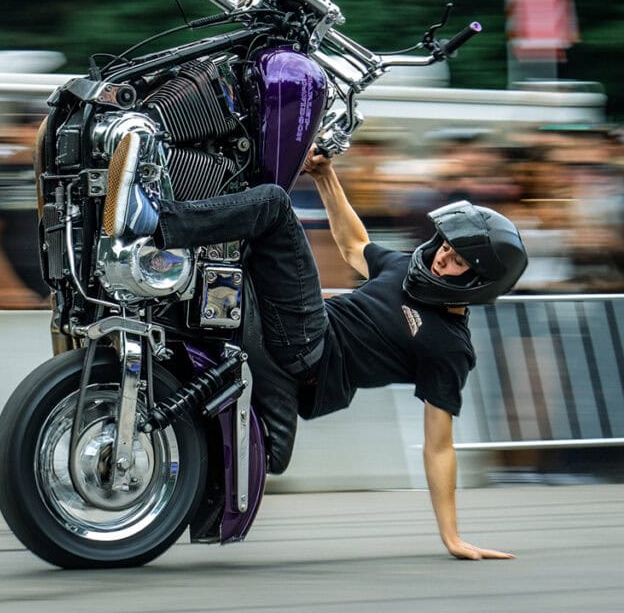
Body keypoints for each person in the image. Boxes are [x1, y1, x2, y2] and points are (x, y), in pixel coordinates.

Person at [108, 131, 529, 561]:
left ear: (479, 282)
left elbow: (439, 446)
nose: (441, 257)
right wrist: (327, 177)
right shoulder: (407, 268)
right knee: (240, 221)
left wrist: (452, 538)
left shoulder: (449, 345)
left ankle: (152, 221)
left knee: (272, 204)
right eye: (446, 245)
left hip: (313, 348)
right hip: (295, 341)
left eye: (457, 260)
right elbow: (353, 246)